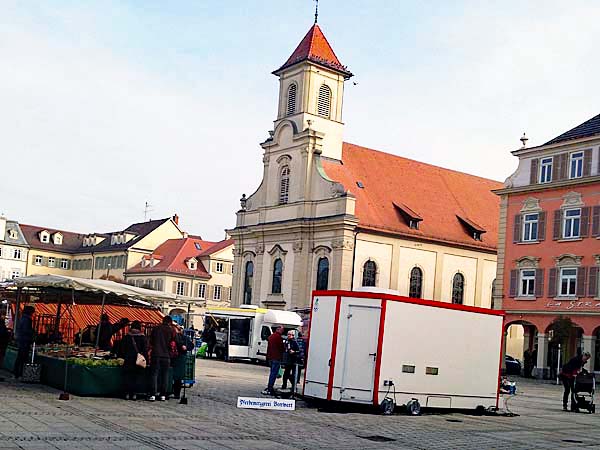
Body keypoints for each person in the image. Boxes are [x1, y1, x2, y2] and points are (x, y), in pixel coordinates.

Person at [149, 316, 175, 401]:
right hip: (166, 356)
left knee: (154, 374)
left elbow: (151, 341)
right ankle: (163, 395)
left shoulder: (156, 329)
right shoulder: (171, 330)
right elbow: (173, 342)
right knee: (165, 375)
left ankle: (153, 394)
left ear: (162, 320)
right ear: (170, 322)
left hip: (156, 354)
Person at [122, 321, 148, 400]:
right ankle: (134, 394)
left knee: (128, 377)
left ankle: (127, 393)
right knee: (136, 377)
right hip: (138, 360)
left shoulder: (127, 337)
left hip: (128, 359)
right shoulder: (142, 337)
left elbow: (123, 349)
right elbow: (145, 350)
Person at [171, 324, 193, 399]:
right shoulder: (172, 336)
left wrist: (186, 347)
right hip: (173, 358)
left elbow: (191, 345)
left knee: (178, 378)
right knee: (172, 376)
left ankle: (176, 393)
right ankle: (170, 391)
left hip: (180, 358)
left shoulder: (184, 338)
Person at [13, 305, 35, 379]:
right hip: (24, 341)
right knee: (23, 358)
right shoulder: (27, 319)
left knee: (19, 358)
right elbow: (26, 330)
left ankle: (16, 373)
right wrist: (32, 332)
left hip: (21, 340)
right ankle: (20, 373)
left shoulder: (22, 318)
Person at [262, 326, 284, 396]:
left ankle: (269, 387)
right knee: (273, 374)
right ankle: (270, 388)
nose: (282, 331)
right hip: (276, 358)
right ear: (279, 330)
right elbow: (281, 348)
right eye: (282, 330)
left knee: (272, 373)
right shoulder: (278, 337)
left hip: (270, 358)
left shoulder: (271, 336)